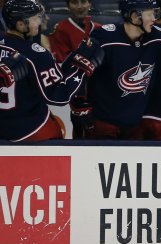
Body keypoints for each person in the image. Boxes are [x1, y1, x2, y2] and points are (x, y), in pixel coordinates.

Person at [74, 0, 161, 140]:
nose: (154, 18)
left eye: (155, 13)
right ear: (134, 16)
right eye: (150, 14)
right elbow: (76, 70)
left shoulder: (157, 39)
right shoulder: (105, 37)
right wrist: (78, 100)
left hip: (134, 125)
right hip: (102, 124)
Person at [0, 0, 102, 142]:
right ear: (21, 24)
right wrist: (82, 67)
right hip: (30, 129)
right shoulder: (35, 54)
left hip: (3, 128)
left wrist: (75, 56)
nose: (41, 21)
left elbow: (54, 74)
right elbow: (58, 96)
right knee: (55, 143)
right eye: (36, 18)